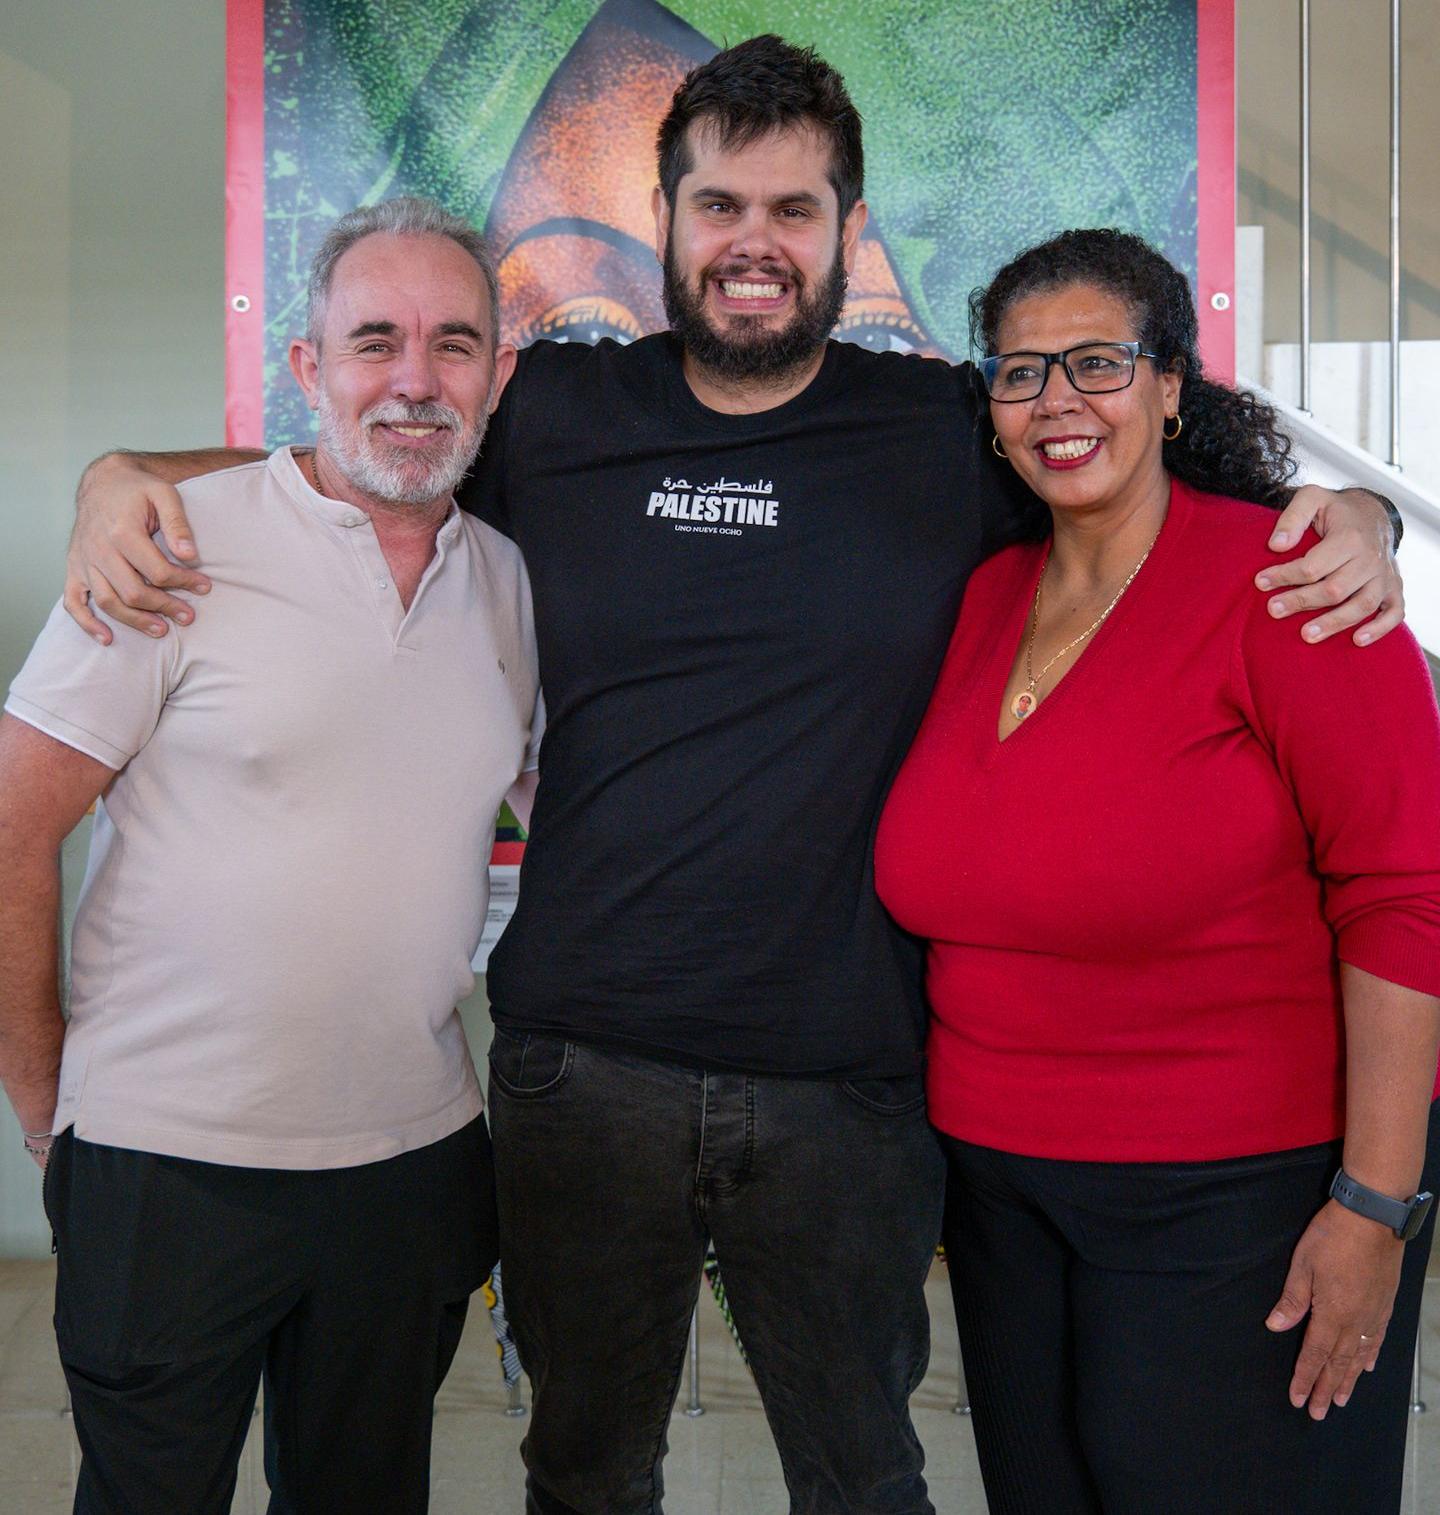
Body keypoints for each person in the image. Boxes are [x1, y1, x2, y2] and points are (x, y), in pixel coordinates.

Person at [62, 39, 1407, 1515]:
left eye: (793, 209)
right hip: (584, 1069)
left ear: (846, 232)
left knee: (864, 1477)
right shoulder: (553, 413)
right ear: (665, 219)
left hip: (847, 1080)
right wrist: (126, 474)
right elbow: (356, 460)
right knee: (584, 1474)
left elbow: (1144, 470)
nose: (753, 242)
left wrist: (1355, 517)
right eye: (719, 206)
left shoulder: (940, 429)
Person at [874, 228, 1440, 1515]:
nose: (1056, 400)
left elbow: (1406, 900)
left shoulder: (1296, 587)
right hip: (1003, 1204)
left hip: (1240, 1204)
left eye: (1098, 362)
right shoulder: (977, 599)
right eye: (1020, 373)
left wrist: (1376, 1207)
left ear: (1172, 385)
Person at [0, 196, 541, 1515]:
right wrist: (43, 1095)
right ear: (308, 364)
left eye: (454, 343)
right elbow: (12, 824)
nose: (415, 380)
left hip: (413, 1162)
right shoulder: (169, 546)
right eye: (374, 341)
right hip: (167, 1164)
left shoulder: (514, 582)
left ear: (498, 371)